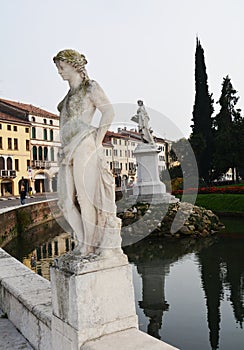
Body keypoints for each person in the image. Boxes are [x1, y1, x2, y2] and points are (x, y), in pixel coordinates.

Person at [53, 49, 122, 257]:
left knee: (85, 199)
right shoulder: (67, 97)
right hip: (66, 151)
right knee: (64, 202)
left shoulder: (89, 87)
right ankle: (84, 241)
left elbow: (108, 111)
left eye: (61, 67)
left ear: (75, 66)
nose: (59, 72)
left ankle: (88, 246)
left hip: (84, 145)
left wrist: (97, 140)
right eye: (57, 68)